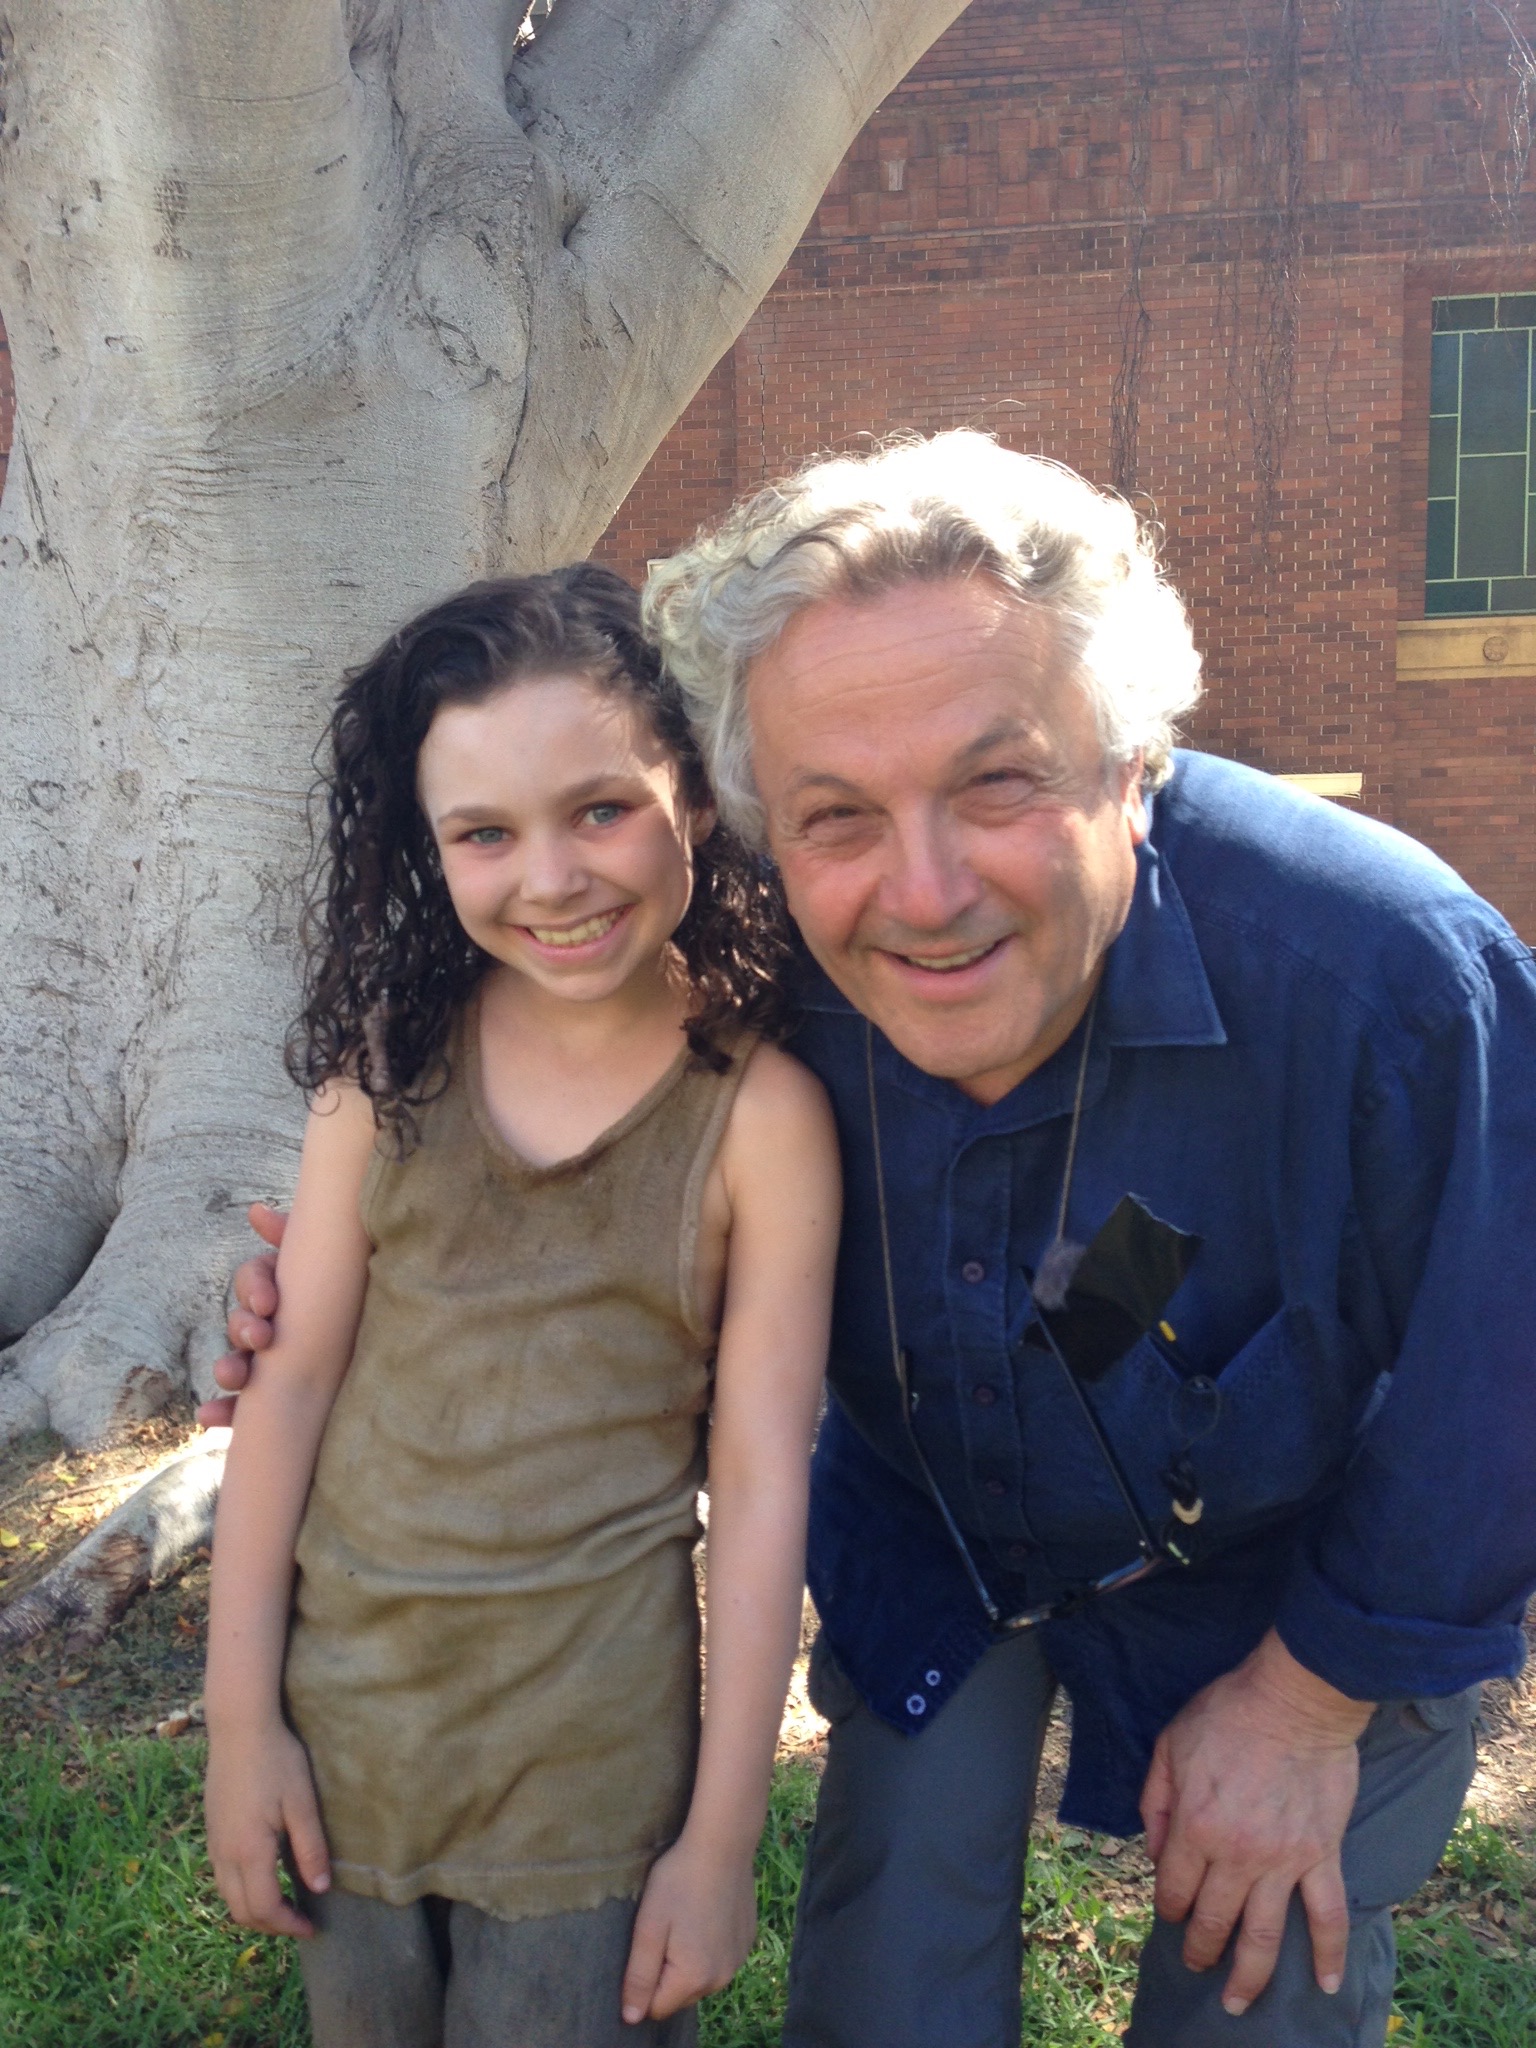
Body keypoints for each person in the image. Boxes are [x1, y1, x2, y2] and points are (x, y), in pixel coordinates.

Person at [212, 434, 1536, 2048]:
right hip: (946, 1534)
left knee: (1259, 1990)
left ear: (1135, 761)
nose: (920, 894)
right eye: (836, 813)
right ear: (757, 822)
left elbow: (1503, 1372)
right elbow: (543, 1179)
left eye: (997, 782)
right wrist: (342, 1307)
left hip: (1297, 1568)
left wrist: (1315, 1700)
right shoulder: (757, 973)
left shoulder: (1388, 979)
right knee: (882, 1988)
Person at [202, 565, 840, 2048]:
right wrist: (242, 1728)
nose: (551, 878)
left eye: (600, 809)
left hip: (590, 1787)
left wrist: (722, 1837)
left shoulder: (761, 1116)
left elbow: (757, 1483)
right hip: (350, 1744)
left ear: (693, 788)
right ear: (429, 850)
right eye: (485, 834)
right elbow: (288, 1393)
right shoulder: (385, 1073)